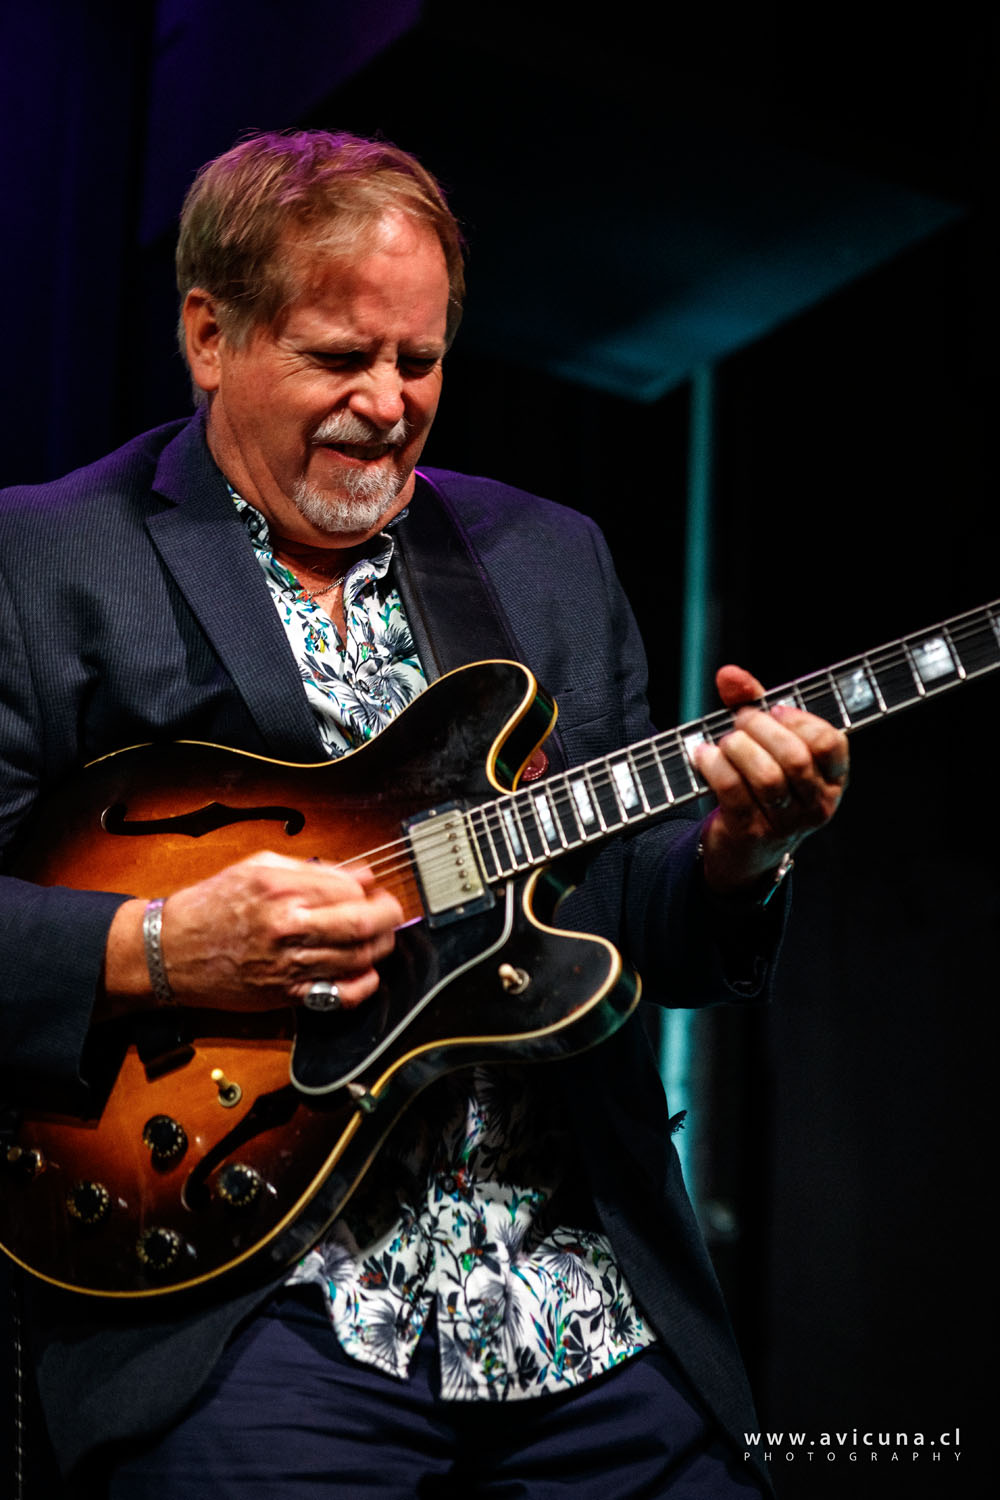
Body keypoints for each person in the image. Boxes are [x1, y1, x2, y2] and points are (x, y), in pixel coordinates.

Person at [0, 130, 848, 1498]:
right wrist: (157, 946)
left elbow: (638, 926)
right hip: (250, 1303)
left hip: (581, 1307)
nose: (389, 404)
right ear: (210, 335)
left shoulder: (548, 559)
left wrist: (741, 855)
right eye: (341, 358)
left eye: (422, 360)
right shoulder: (45, 562)